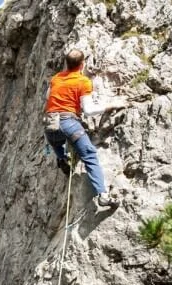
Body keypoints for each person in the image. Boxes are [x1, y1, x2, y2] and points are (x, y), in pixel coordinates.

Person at [44, 49, 127, 208]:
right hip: (69, 122)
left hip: (50, 123)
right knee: (89, 155)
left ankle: (62, 158)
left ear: (67, 63)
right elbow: (89, 111)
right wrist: (112, 105)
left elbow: (48, 97)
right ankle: (103, 195)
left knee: (55, 143)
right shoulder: (83, 82)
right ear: (82, 64)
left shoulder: (56, 78)